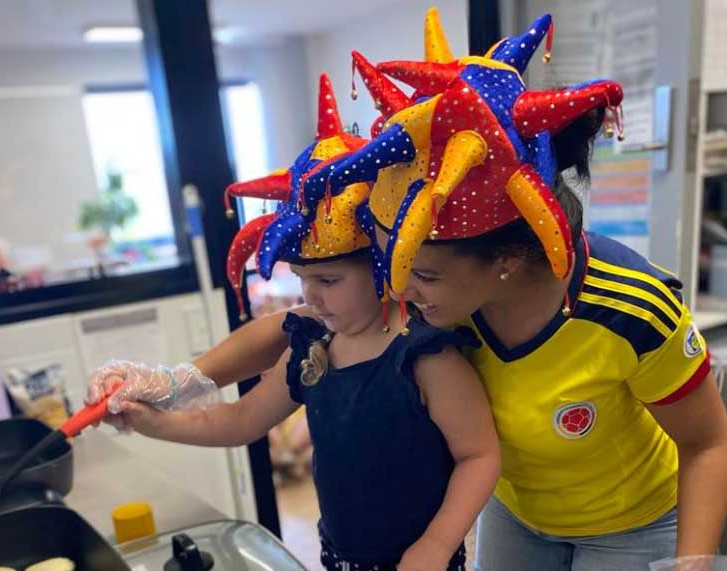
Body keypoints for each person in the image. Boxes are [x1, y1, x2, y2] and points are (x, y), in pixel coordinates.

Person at [300, 10, 727, 571]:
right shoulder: (441, 305)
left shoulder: (631, 309)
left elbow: (707, 445)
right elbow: (308, 324)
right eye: (392, 262)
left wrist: (693, 562)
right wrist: (187, 381)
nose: (400, 289)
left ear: (504, 260)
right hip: (517, 515)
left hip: (634, 520)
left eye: (423, 273)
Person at [87, 74, 500, 571]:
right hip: (339, 557)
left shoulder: (425, 356)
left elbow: (479, 457)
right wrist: (153, 422)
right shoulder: (313, 347)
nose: (309, 296)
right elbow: (238, 421)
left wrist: (435, 546)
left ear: (383, 269)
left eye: (327, 279)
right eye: (302, 278)